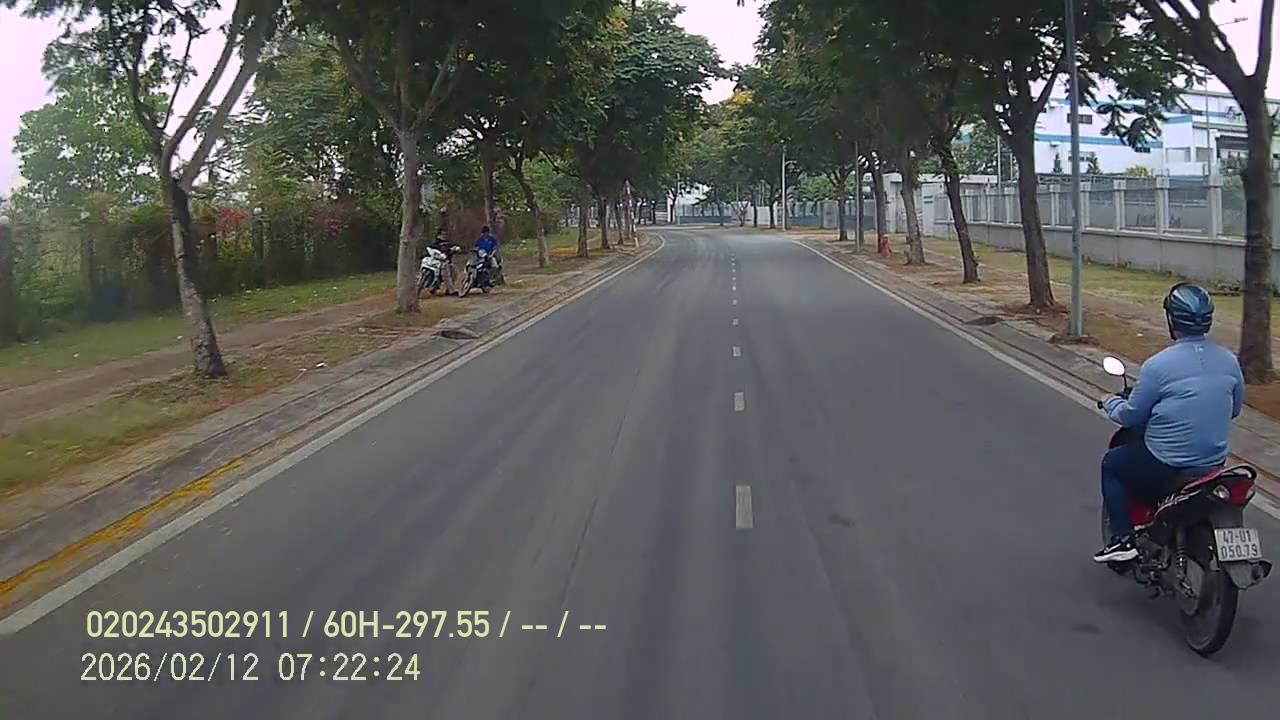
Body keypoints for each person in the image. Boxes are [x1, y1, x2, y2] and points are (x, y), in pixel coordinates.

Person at [1094, 282, 1244, 563]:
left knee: (1112, 465)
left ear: (1171, 319)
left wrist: (1110, 402)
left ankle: (1123, 540)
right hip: (1213, 462)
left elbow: (1131, 415)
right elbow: (1234, 410)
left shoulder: (1158, 366)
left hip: (1168, 462)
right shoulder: (1229, 361)